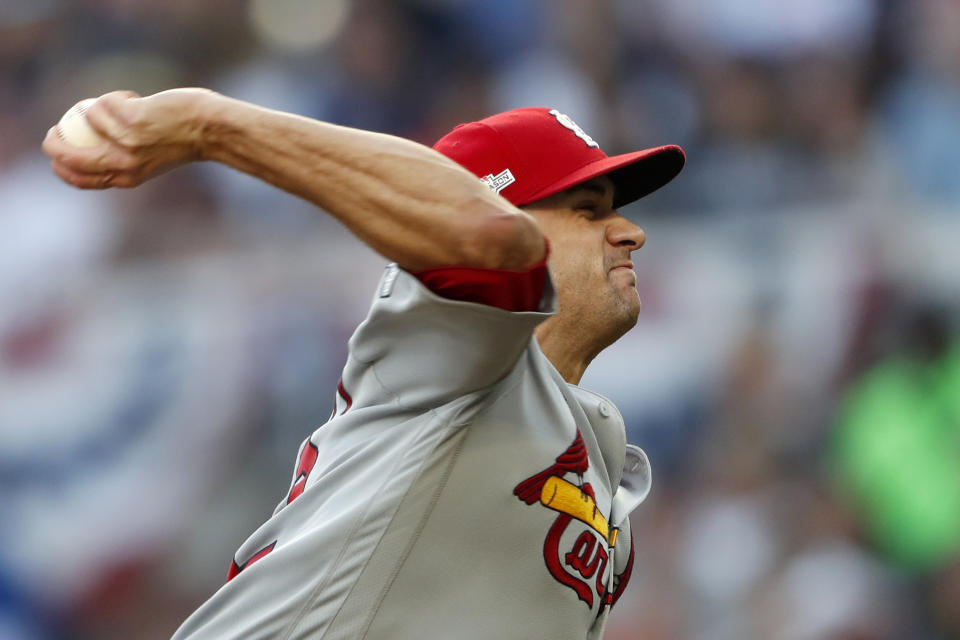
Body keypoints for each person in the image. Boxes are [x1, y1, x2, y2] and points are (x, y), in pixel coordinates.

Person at [42, 90, 684, 640]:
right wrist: (210, 123)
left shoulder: (594, 444)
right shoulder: (449, 354)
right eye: (588, 209)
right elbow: (489, 241)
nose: (631, 231)